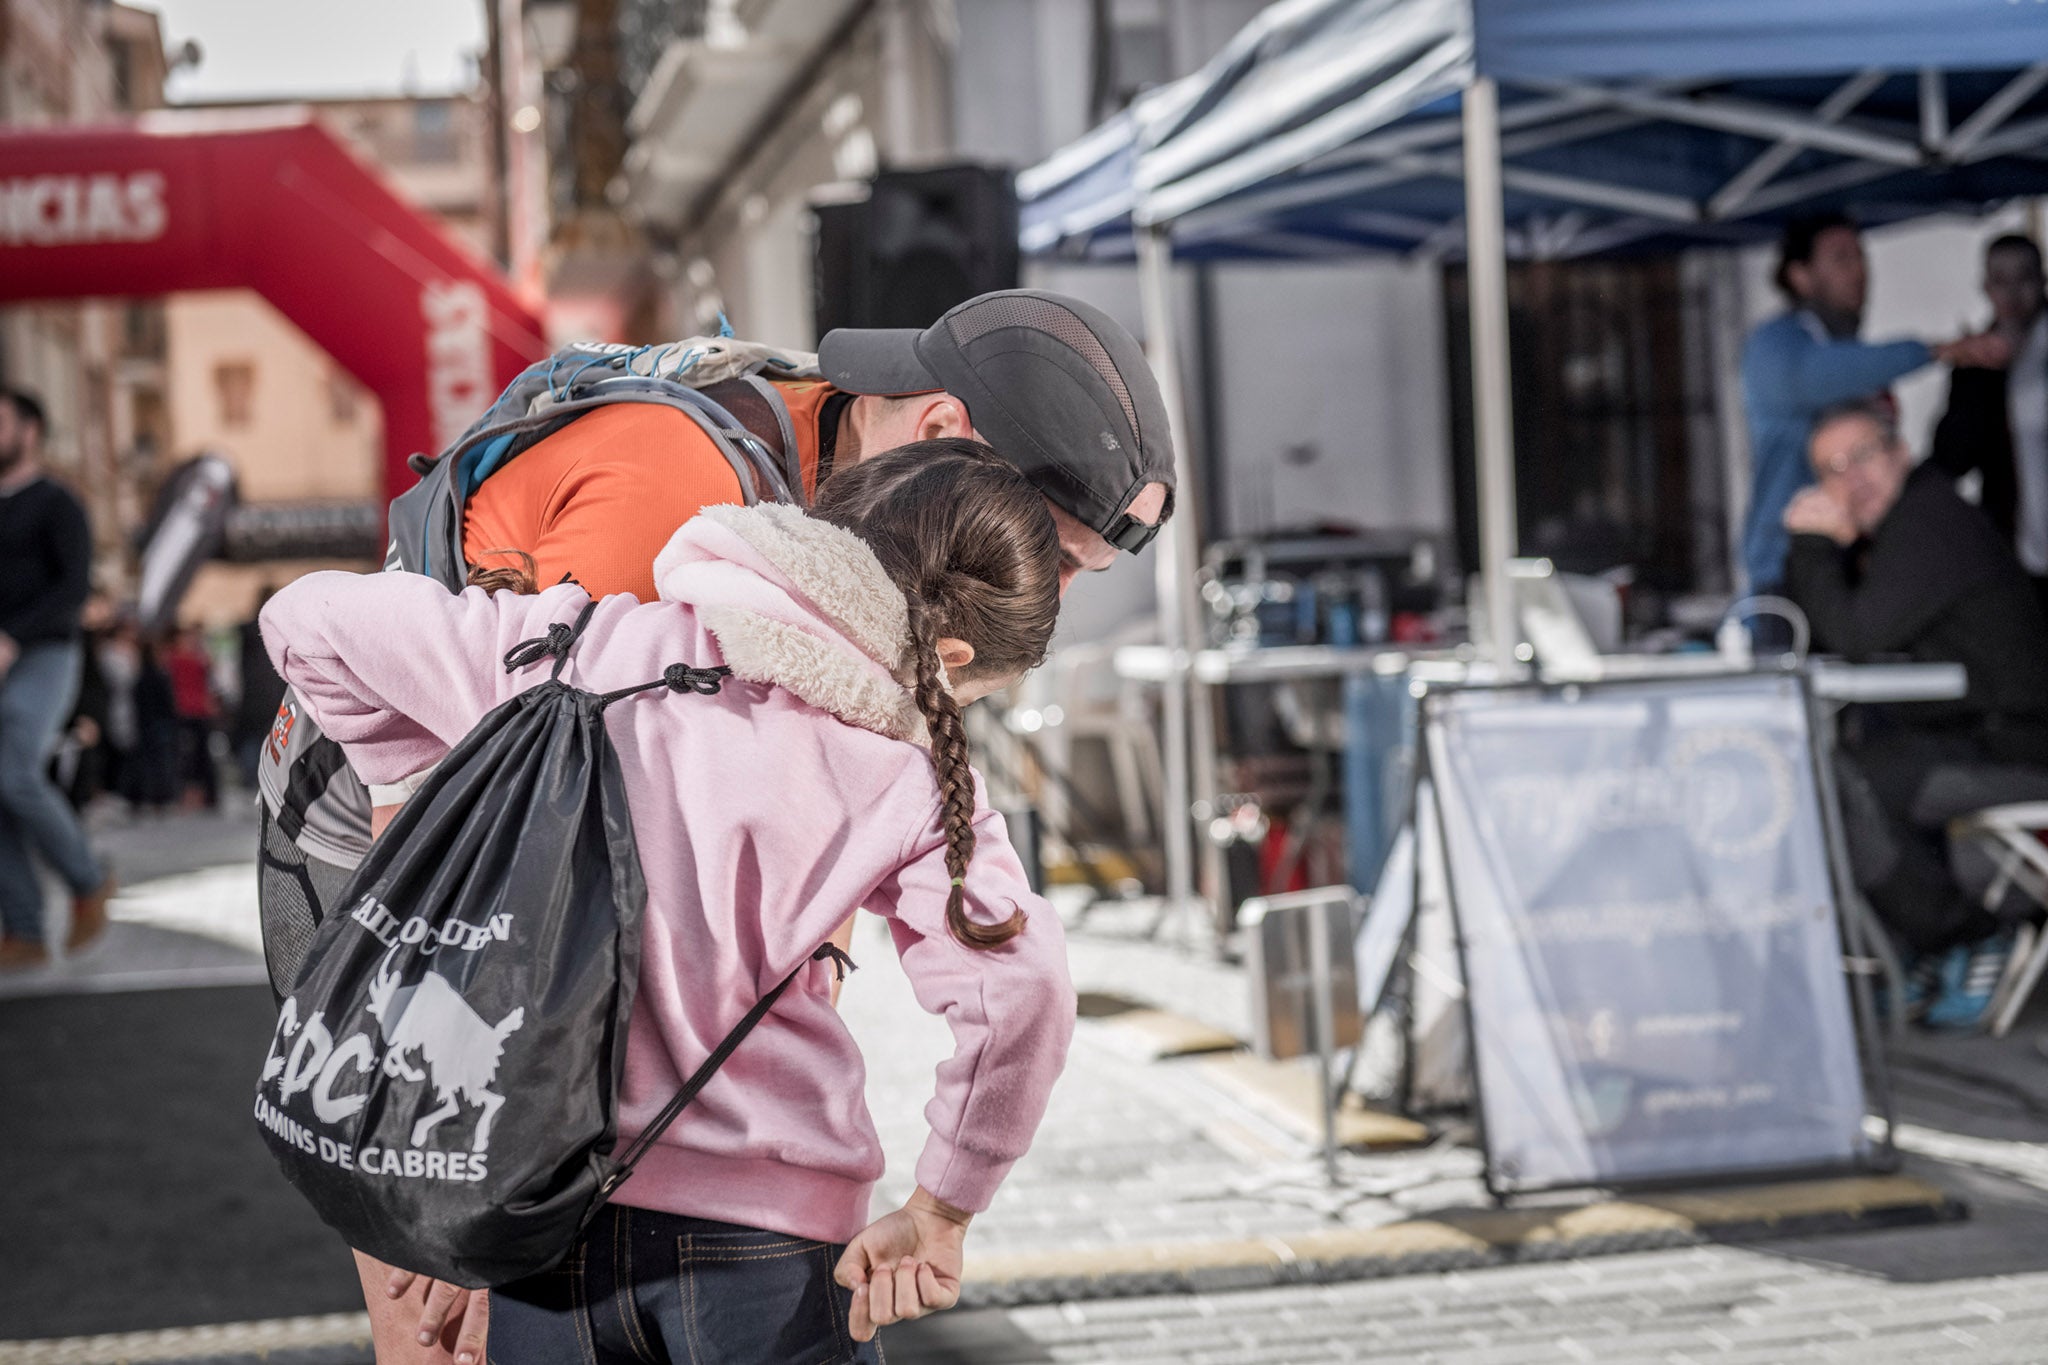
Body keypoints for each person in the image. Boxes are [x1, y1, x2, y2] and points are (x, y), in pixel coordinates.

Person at [344, 289, 1177, 1359]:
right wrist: (449, 1183)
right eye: (1051, 557)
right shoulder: (670, 502)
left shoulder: (833, 493)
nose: (1042, 595)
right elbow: (526, 881)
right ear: (939, 432)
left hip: (591, 1041)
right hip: (429, 932)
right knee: (447, 1338)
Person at [262, 441, 1077, 1361]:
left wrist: (409, 793)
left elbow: (306, 620)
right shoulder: (907, 776)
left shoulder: (574, 644)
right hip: (769, 1245)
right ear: (952, 654)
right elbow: (1024, 990)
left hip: (538, 1222)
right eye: (966, 695)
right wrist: (943, 1206)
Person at [1783, 401, 2048, 1027]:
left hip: (2017, 749)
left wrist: (1813, 549)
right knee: (1851, 768)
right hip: (1980, 738)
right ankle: (1924, 946)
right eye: (1832, 470)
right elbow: (1843, 635)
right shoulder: (1908, 525)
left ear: (1900, 451)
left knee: (1848, 784)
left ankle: (1968, 937)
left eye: (1864, 456)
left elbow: (1853, 632)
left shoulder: (1929, 521)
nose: (1852, 479)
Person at [1740, 212, 2006, 602]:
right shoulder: (1776, 346)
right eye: (1841, 258)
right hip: (1788, 567)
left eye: (1861, 257)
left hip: (1855, 560)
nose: (1859, 271)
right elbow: (1815, 376)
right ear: (1801, 276)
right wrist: (1940, 350)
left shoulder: (1850, 351)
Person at [0, 388, 113, 968]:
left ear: (30, 431)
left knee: (14, 773)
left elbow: (72, 591)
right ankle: (22, 928)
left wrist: (13, 637)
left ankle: (88, 879)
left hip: (44, 655)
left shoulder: (57, 504)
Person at [1932, 234, 2048, 610]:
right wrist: (1981, 372)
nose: (2013, 293)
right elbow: (1952, 458)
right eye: (2001, 280)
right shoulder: (1976, 363)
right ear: (1985, 287)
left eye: (2025, 278)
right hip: (2015, 548)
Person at [233, 587, 288, 789]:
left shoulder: (247, 631)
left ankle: (250, 781)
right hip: (274, 694)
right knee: (273, 739)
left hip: (251, 695)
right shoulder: (281, 631)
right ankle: (268, 780)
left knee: (252, 739)